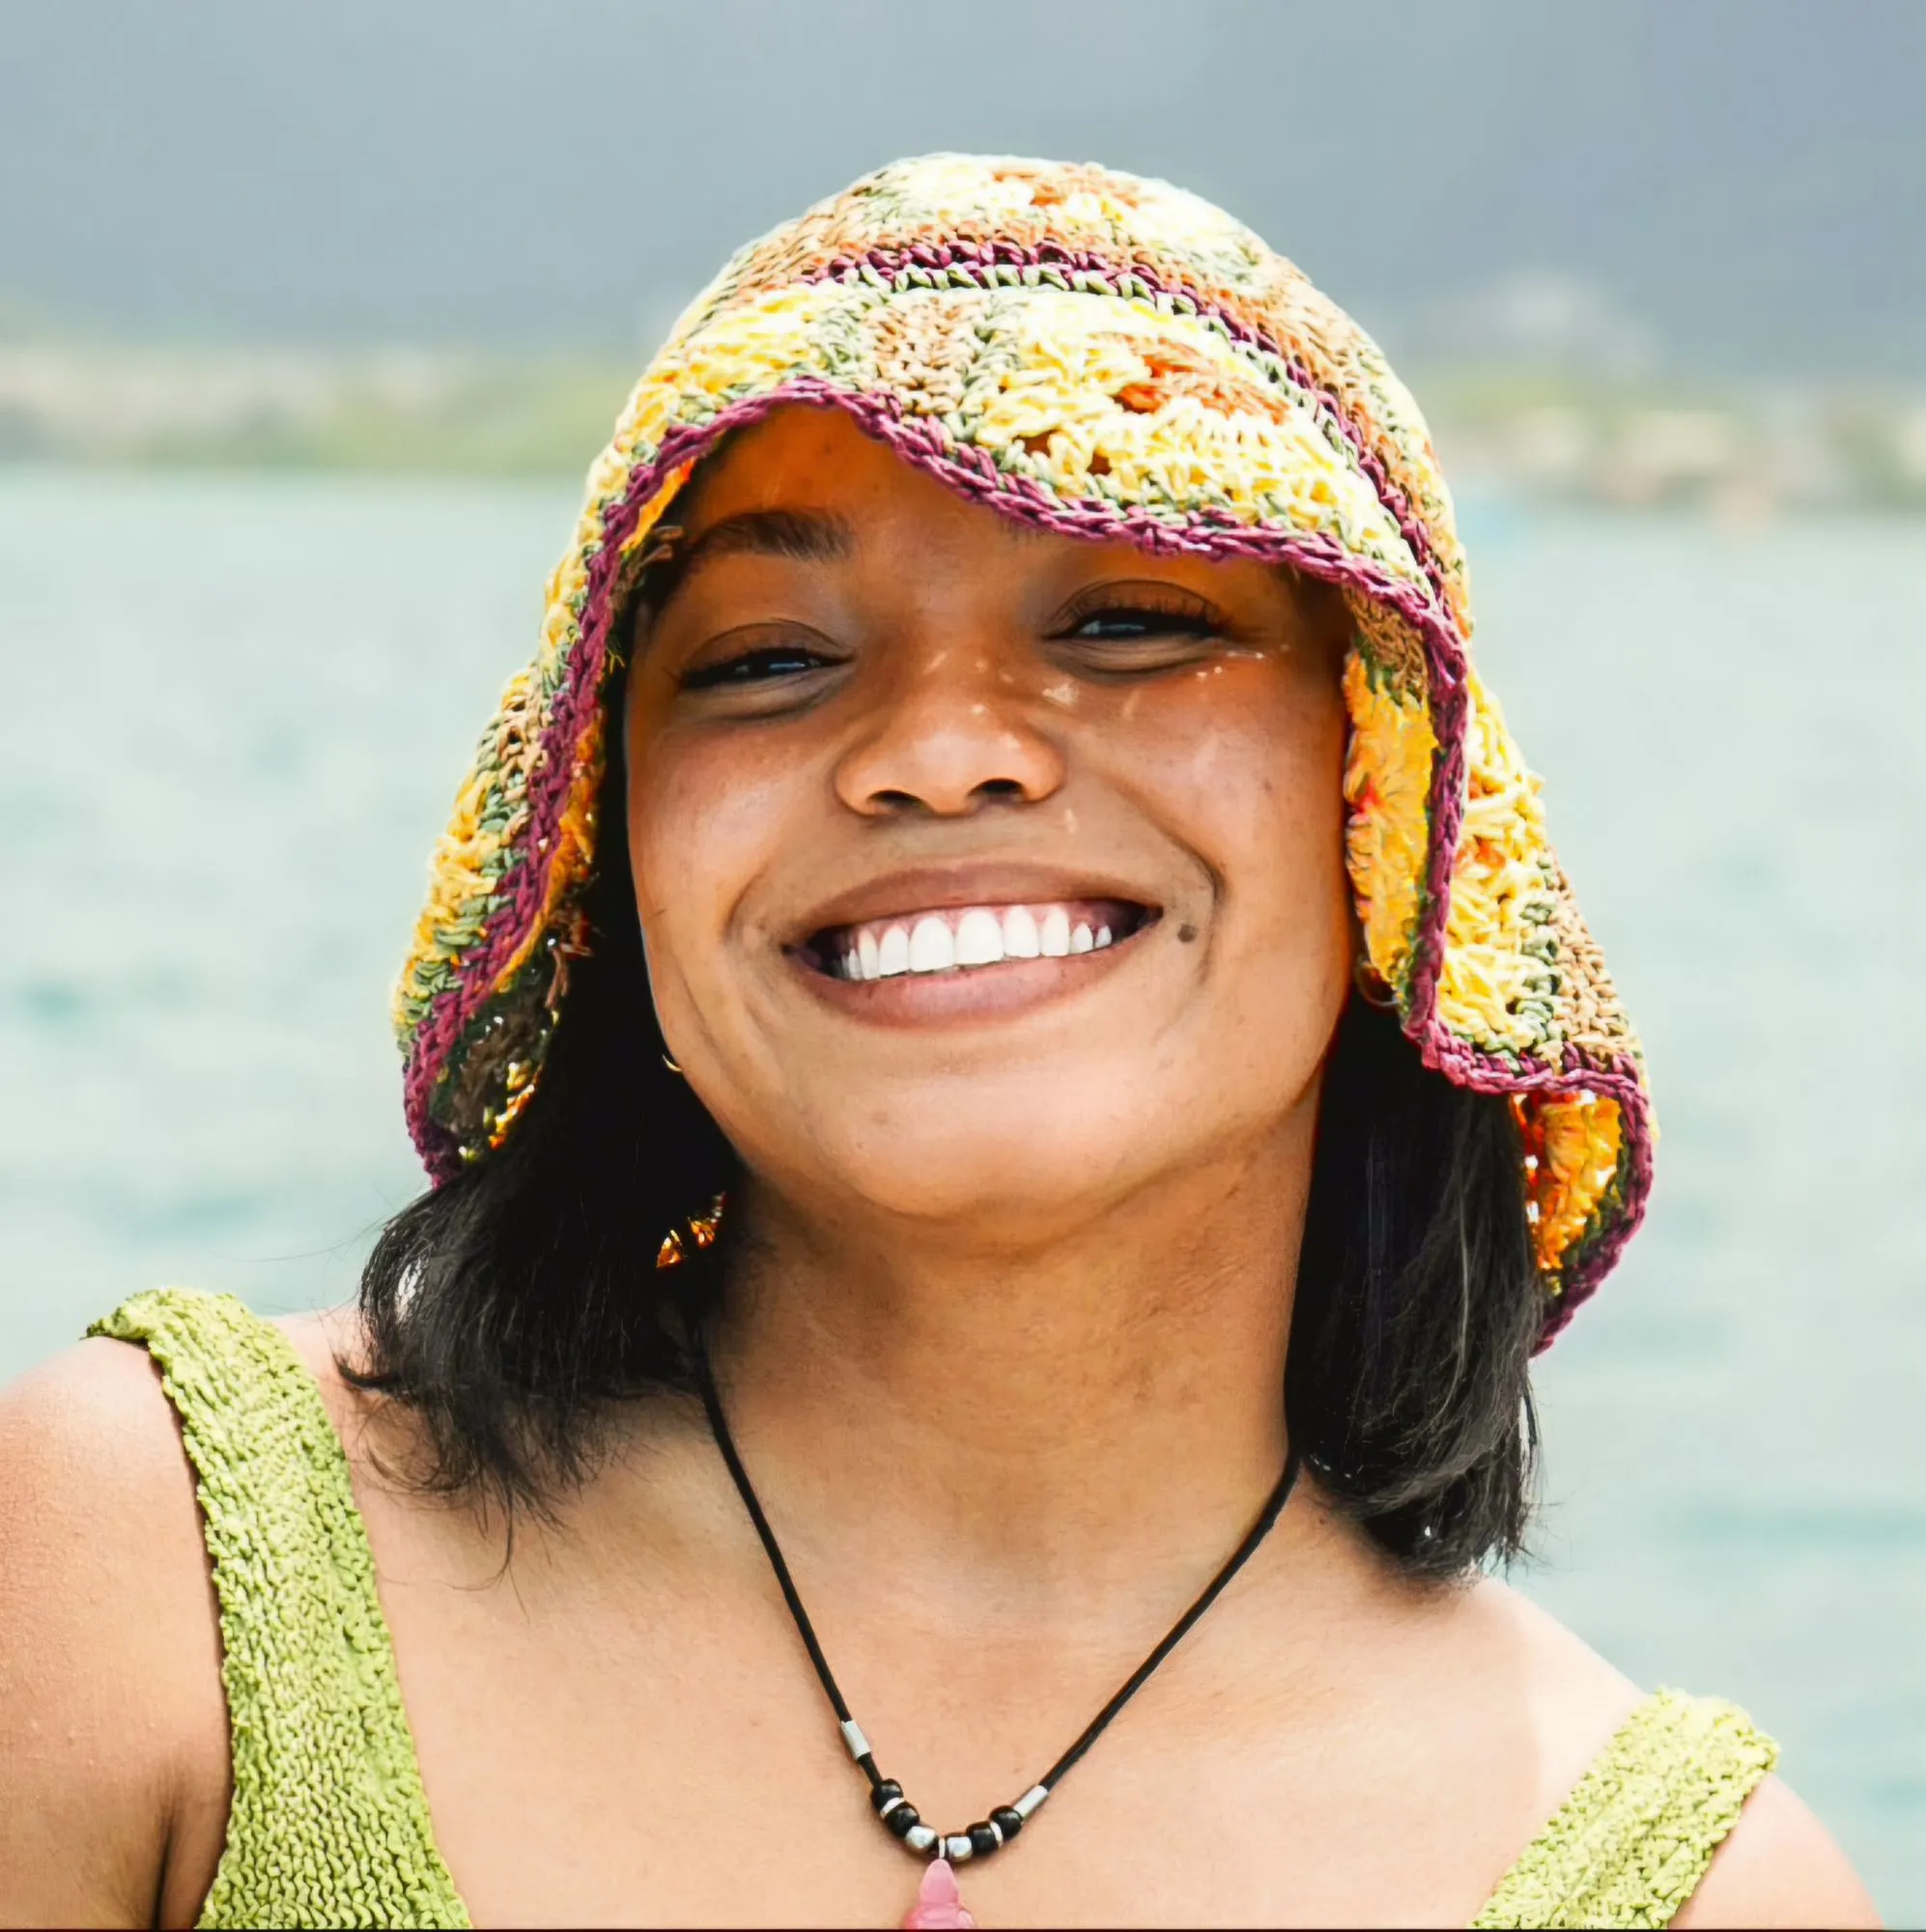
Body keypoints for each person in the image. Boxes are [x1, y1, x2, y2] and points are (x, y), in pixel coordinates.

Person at [0, 156, 1880, 1930]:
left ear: (1393, 800)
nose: (941, 743)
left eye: (1137, 615)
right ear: (605, 840)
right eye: (764, 655)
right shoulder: (156, 1567)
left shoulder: (1682, 1892)